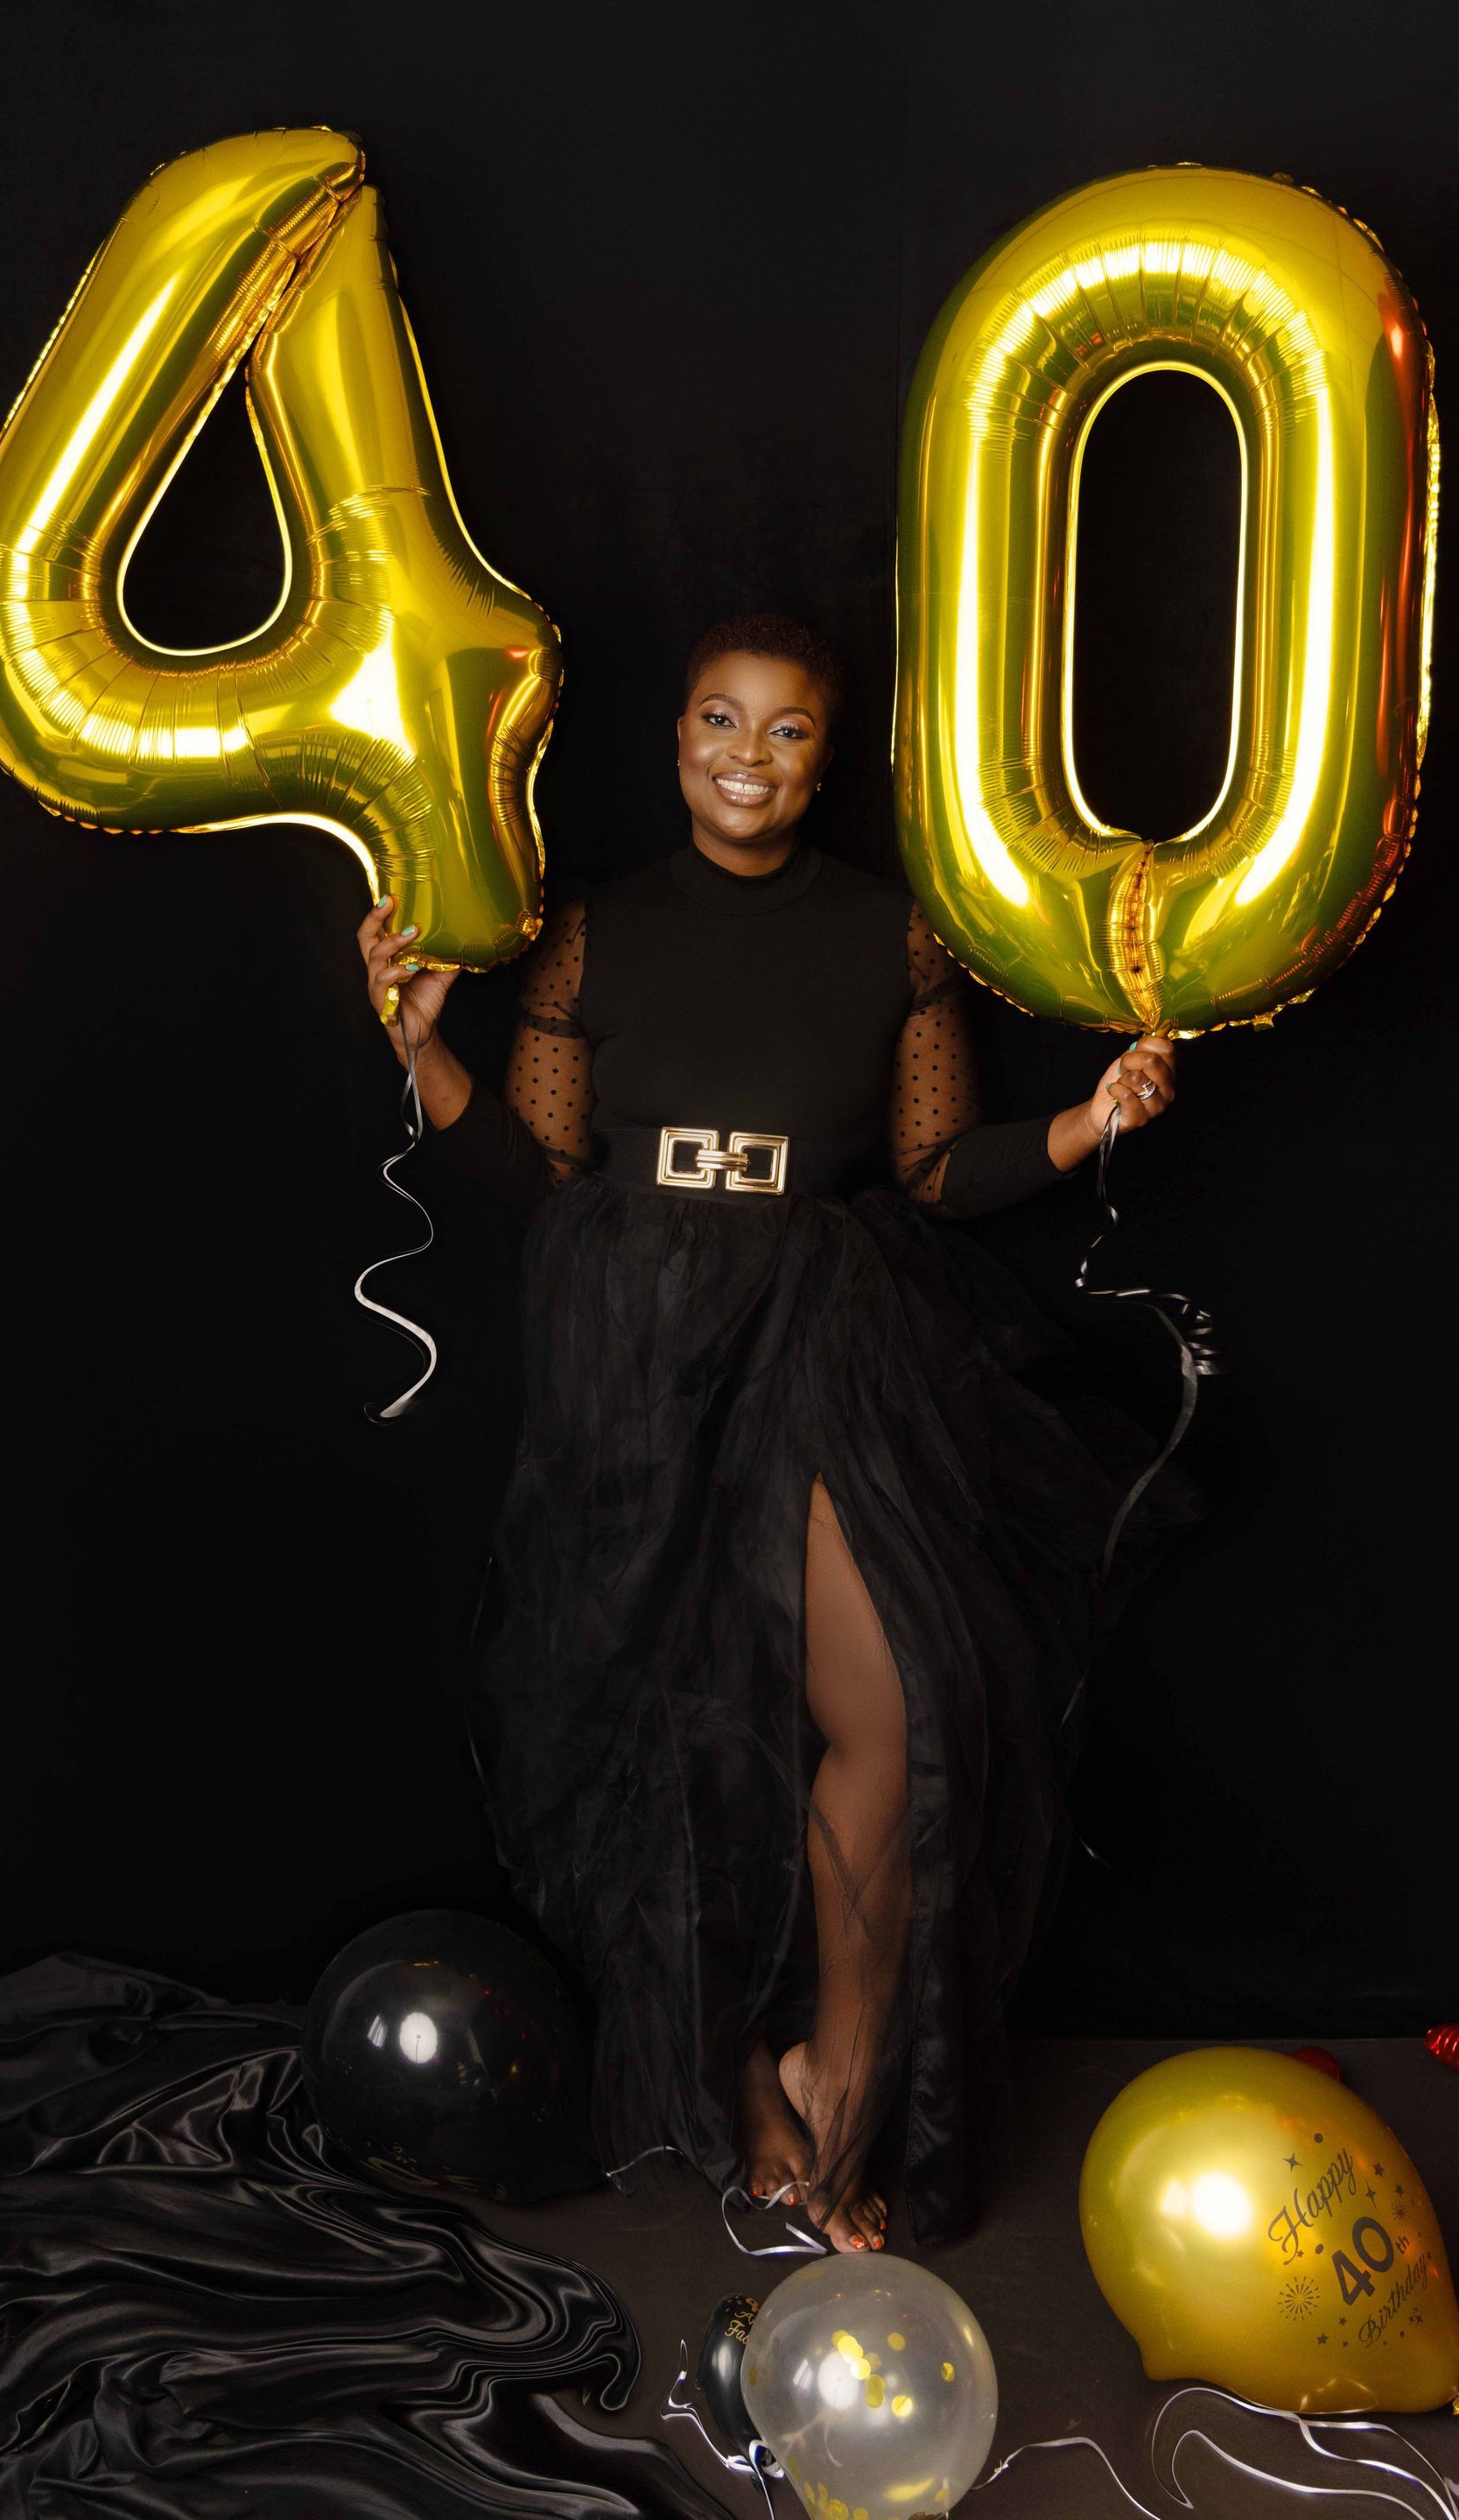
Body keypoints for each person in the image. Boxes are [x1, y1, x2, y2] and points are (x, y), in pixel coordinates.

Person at [357, 614, 1188, 2251]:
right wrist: (418, 1051)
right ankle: (737, 2075)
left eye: (789, 729)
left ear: (830, 752)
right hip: (633, 1343)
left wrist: (1092, 1119)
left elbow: (938, 1174)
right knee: (665, 1728)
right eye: (718, 721)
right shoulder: (595, 929)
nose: (750, 753)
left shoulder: (898, 938)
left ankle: (847, 2074)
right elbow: (538, 1176)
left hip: (823, 1327)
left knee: (897, 1707)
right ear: (673, 742)